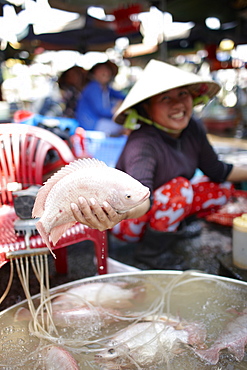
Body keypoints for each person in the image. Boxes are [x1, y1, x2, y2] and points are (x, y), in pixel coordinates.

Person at [70, 59, 247, 269]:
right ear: (147, 108)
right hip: (128, 219)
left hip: (161, 205)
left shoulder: (193, 127)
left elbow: (217, 170)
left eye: (182, 94)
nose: (178, 104)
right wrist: (111, 216)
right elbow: (139, 199)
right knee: (180, 188)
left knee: (221, 189)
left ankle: (172, 227)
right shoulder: (143, 142)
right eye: (165, 98)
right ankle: (151, 253)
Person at [75, 61, 126, 136]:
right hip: (91, 124)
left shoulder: (106, 88)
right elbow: (102, 110)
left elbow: (122, 96)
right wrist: (116, 108)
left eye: (107, 70)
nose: (105, 73)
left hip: (98, 122)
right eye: (101, 70)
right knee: (122, 129)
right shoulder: (93, 87)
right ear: (93, 74)